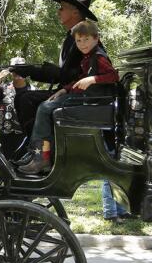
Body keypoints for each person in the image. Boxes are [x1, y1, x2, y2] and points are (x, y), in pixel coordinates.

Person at [17, 19, 118, 177]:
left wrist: (93, 79)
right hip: (82, 98)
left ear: (96, 38)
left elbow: (113, 75)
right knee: (47, 104)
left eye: (86, 39)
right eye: (79, 41)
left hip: (91, 102)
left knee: (44, 108)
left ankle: (41, 157)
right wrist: (64, 90)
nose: (82, 44)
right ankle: (40, 154)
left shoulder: (99, 57)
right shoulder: (87, 57)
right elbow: (80, 80)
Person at [0, 56, 35, 160]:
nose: (18, 72)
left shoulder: (33, 90)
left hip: (27, 138)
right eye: (15, 69)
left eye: (22, 68)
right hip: (7, 138)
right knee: (8, 170)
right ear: (10, 71)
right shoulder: (3, 88)